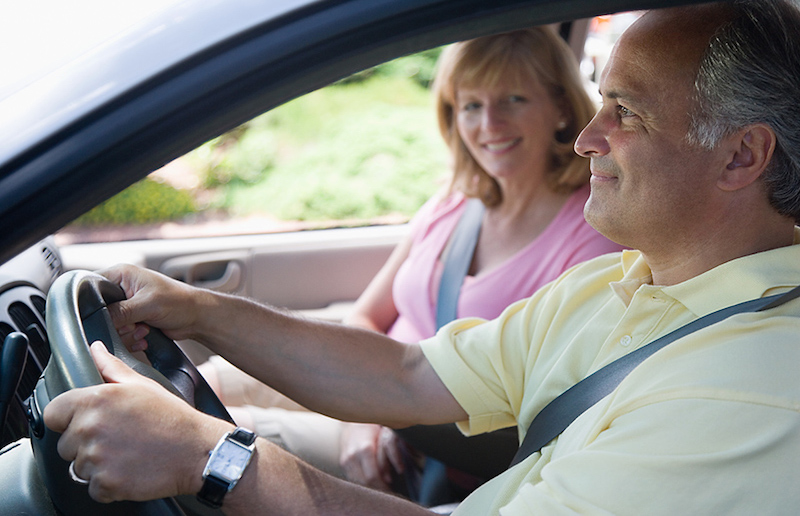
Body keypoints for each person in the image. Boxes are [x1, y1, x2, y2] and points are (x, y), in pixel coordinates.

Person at [44, 1, 800, 514]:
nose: (587, 137)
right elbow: (407, 374)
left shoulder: (760, 387)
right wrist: (199, 309)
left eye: (626, 112)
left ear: (741, 156)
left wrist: (211, 457)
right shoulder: (618, 281)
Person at [198, 26, 623, 499]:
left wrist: (378, 416)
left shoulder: (593, 236)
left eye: (514, 100)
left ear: (562, 107)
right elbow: (365, 315)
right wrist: (366, 414)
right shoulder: (456, 200)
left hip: (434, 450)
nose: (489, 125)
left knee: (219, 438)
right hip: (369, 399)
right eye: (471, 106)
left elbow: (540, 409)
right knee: (207, 379)